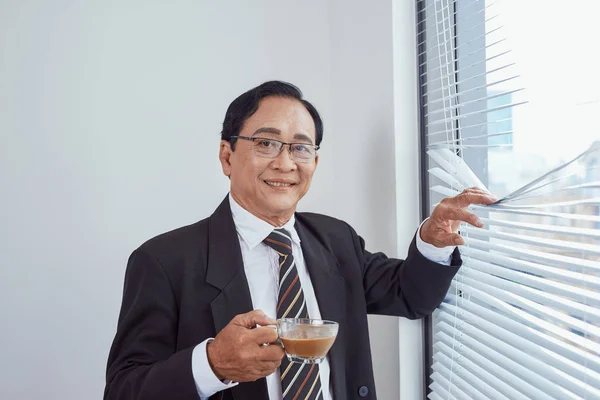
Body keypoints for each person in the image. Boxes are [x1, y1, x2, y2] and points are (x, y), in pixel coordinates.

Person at [104, 81, 496, 400]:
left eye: (300, 148)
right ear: (227, 156)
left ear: (314, 162)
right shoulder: (162, 261)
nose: (285, 163)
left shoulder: (335, 238)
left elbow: (410, 295)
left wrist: (433, 240)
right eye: (266, 143)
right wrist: (213, 364)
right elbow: (123, 390)